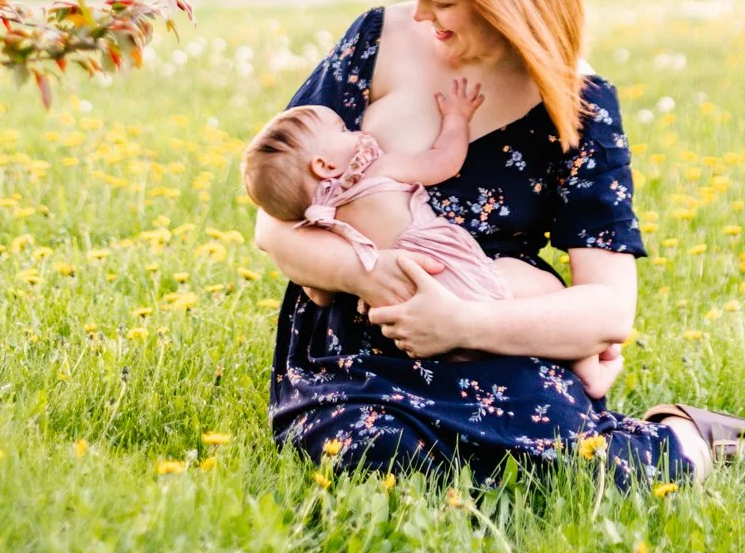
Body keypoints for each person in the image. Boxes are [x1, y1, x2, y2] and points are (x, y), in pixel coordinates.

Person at [253, 0, 745, 486]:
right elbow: (274, 222)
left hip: (498, 333)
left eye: (442, 1)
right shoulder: (376, 42)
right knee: (379, 460)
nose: (422, 16)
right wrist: (379, 277)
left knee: (566, 469)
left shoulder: (577, 108)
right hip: (360, 340)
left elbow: (609, 304)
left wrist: (460, 323)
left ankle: (682, 437)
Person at [242, 79, 622, 397]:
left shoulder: (319, 225)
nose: (356, 132)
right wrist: (456, 119)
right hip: (454, 274)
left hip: (405, 319)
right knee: (537, 283)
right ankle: (584, 361)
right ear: (324, 165)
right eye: (342, 132)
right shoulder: (379, 171)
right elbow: (444, 161)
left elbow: (319, 291)